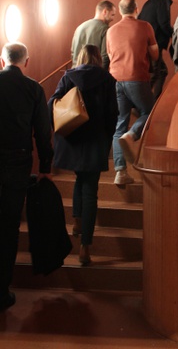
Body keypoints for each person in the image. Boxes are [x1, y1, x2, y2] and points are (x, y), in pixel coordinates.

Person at [48, 45, 118, 266]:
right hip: (95, 143)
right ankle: (85, 247)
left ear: (80, 57)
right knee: (90, 191)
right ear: (98, 58)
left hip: (74, 141)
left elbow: (52, 104)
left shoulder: (69, 77)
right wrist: (107, 139)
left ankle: (77, 221)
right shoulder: (107, 80)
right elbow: (113, 115)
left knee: (80, 178)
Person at [0, 42, 53, 310]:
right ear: (27, 62)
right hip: (17, 162)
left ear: (2, 61)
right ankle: (1, 292)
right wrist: (45, 166)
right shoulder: (34, 88)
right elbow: (43, 131)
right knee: (9, 227)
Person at [107, 0, 159, 185]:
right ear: (136, 9)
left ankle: (120, 172)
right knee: (150, 112)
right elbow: (155, 54)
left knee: (120, 123)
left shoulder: (111, 30)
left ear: (121, 11)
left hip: (115, 79)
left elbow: (110, 55)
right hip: (136, 77)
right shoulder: (145, 26)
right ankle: (132, 134)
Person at [138, 0, 174, 100]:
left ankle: (151, 102)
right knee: (154, 74)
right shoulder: (163, 1)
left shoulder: (149, 2)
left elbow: (139, 19)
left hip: (146, 43)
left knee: (161, 72)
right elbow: (164, 23)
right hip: (155, 44)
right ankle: (144, 103)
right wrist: (174, 34)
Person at [71, 0, 116, 70]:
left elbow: (73, 53)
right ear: (105, 11)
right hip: (94, 72)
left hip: (76, 71)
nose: (113, 19)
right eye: (112, 15)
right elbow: (105, 56)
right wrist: (102, 73)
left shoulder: (80, 27)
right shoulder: (105, 29)